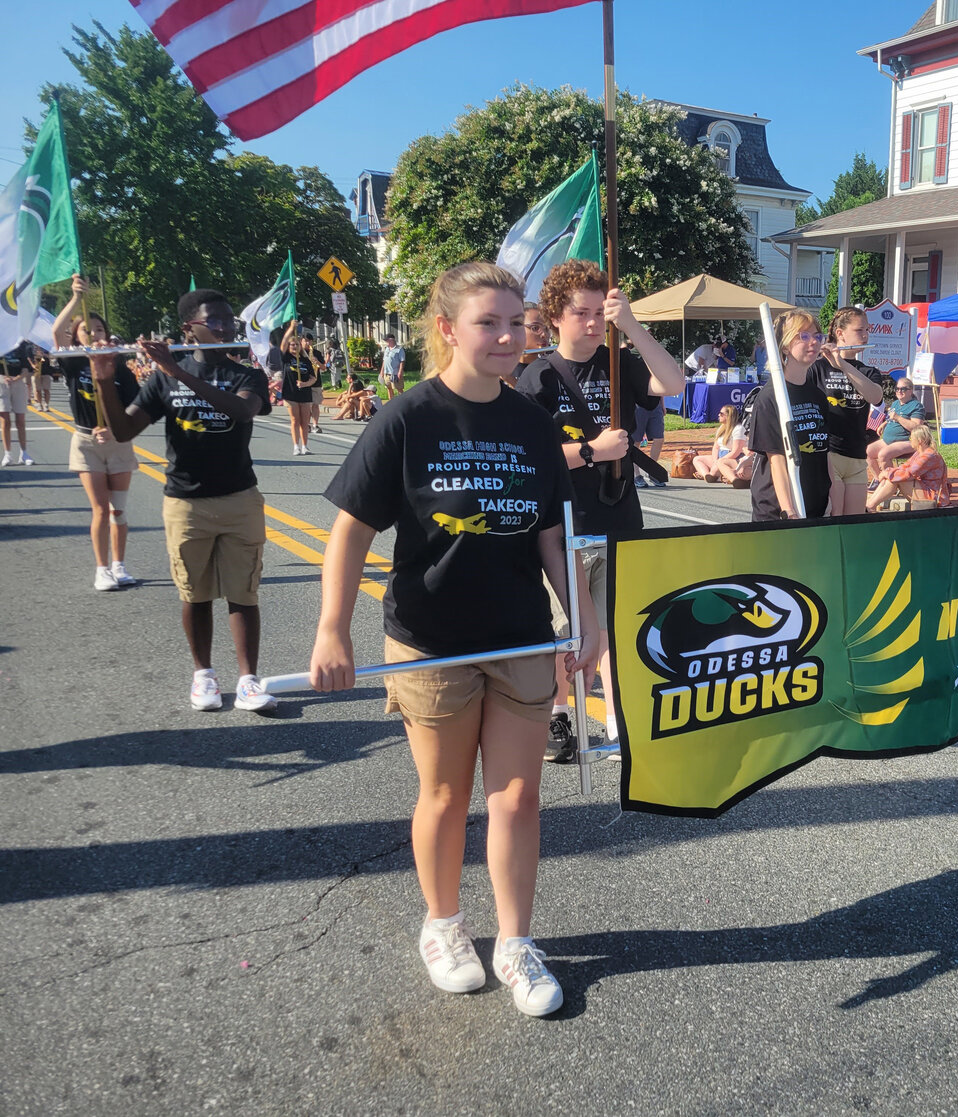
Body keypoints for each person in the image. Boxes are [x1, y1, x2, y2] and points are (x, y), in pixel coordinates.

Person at [310, 261, 597, 1018]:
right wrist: (332, 630)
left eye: (514, 322)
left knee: (519, 799)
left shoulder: (533, 423)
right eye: (488, 323)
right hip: (430, 640)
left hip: (520, 637)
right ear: (446, 329)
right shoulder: (407, 416)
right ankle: (443, 927)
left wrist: (585, 625)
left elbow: (551, 537)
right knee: (444, 793)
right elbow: (349, 533)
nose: (507, 337)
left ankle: (515, 941)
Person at [516, 258, 684, 762]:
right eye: (580, 312)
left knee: (614, 625)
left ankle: (616, 721)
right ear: (556, 317)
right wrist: (592, 451)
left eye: (599, 313)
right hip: (562, 526)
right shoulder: (537, 379)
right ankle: (559, 718)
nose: (591, 323)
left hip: (618, 519)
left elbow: (673, 384)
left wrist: (630, 325)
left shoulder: (621, 363)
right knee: (564, 632)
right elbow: (529, 460)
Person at [93, 288, 277, 713]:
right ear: (188, 328)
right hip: (185, 501)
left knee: (243, 591)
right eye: (215, 321)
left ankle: (248, 679)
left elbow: (242, 412)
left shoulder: (245, 375)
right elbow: (123, 431)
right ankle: (204, 676)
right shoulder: (161, 379)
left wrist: (174, 367)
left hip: (239, 498)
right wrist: (104, 380)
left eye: (229, 321)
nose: (226, 327)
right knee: (194, 593)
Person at [52, 274, 142, 590]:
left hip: (118, 444)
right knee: (100, 509)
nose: (95, 334)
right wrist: (77, 298)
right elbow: (56, 335)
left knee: (119, 509)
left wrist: (116, 429)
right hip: (87, 443)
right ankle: (101, 569)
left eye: (100, 329)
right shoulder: (75, 363)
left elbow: (135, 407)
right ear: (77, 338)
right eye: (86, 331)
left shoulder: (121, 368)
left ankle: (119, 565)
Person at [749, 309, 833, 522]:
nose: (813, 342)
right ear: (785, 345)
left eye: (817, 336)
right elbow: (776, 460)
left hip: (814, 508)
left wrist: (834, 503)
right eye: (803, 336)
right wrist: (790, 511)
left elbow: (825, 454)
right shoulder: (769, 398)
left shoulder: (817, 396)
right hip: (779, 512)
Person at [812, 306, 885, 515]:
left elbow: (875, 397)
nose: (865, 335)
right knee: (834, 516)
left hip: (856, 454)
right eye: (859, 330)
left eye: (867, 330)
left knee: (854, 520)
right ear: (840, 333)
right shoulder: (819, 367)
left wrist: (843, 364)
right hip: (829, 453)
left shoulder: (867, 371)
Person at [867, 424, 950, 510]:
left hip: (935, 497)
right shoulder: (919, 453)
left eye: (911, 438)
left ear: (919, 440)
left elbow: (909, 473)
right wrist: (887, 472)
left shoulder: (929, 455)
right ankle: (869, 504)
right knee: (892, 477)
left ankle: (871, 506)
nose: (910, 441)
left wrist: (888, 473)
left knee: (896, 479)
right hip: (925, 490)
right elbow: (904, 467)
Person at [867, 377, 925, 485]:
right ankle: (879, 479)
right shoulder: (895, 404)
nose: (899, 391)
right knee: (868, 452)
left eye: (903, 389)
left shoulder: (916, 406)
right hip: (888, 440)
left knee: (883, 454)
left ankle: (891, 482)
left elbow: (917, 427)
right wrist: (884, 424)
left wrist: (898, 417)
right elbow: (890, 418)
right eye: (897, 389)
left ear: (910, 391)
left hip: (907, 441)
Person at [278, 326, 321, 456]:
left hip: (305, 393)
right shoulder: (286, 358)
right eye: (292, 345)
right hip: (291, 393)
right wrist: (291, 327)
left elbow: (313, 378)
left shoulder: (305, 361)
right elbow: (283, 343)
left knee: (305, 421)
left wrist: (305, 383)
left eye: (297, 344)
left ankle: (305, 446)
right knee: (295, 420)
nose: (294, 347)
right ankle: (296, 446)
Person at [0, 343, 34, 466]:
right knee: (5, 421)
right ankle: (7, 454)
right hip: (1, 382)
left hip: (18, 382)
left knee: (20, 420)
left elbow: (26, 370)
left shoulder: (20, 345)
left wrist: (15, 379)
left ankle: (24, 454)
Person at [692, 404, 740, 481]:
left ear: (728, 416)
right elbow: (716, 447)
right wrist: (715, 461)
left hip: (730, 458)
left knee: (714, 471)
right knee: (697, 459)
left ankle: (715, 475)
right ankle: (706, 476)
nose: (718, 415)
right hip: (719, 455)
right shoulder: (721, 428)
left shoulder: (738, 429)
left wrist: (719, 462)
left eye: (721, 414)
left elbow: (735, 452)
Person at [633, 396, 667, 488]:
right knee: (636, 441)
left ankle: (652, 471)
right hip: (638, 406)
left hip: (655, 405)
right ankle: (637, 475)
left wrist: (663, 405)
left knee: (659, 439)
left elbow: (660, 388)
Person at [519, 302, 549, 375]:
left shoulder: (552, 368)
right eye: (535, 328)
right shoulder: (501, 369)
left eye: (547, 328)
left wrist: (510, 380)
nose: (544, 334)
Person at [29, 345, 54, 413]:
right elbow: (28, 357)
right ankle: (39, 404)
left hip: (46, 371)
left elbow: (52, 357)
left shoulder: (46, 346)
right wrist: (32, 365)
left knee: (46, 389)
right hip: (36, 371)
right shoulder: (31, 347)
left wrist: (44, 355)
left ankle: (46, 405)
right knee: (38, 390)